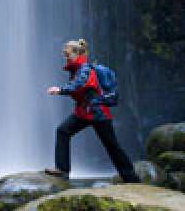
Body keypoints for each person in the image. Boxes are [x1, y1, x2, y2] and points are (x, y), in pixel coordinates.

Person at [44, 38, 140, 183]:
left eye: (68, 55)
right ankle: (62, 169)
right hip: (84, 112)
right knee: (63, 131)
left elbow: (79, 84)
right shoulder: (79, 68)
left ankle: (131, 178)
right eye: (65, 55)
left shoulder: (85, 69)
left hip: (97, 113)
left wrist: (60, 90)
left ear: (77, 54)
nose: (66, 58)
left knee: (112, 145)